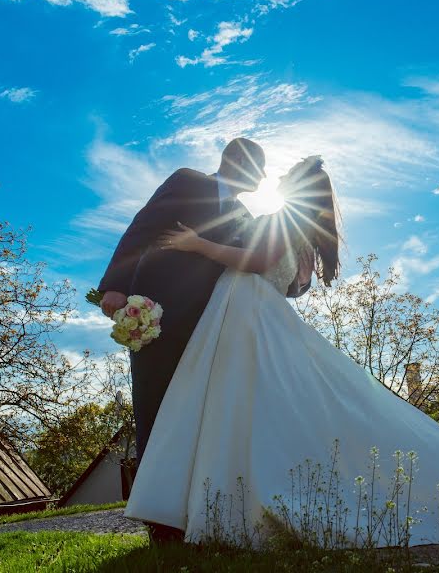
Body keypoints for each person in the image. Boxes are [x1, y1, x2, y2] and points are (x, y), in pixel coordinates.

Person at [123, 156, 439, 547]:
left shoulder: (284, 219)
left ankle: (234, 504)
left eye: (284, 178)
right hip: (249, 315)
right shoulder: (306, 231)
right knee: (251, 410)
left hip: (246, 318)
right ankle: (223, 502)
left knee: (241, 408)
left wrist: (196, 245)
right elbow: (292, 282)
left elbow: (257, 263)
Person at [97, 137, 305, 542]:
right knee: (155, 410)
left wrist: (299, 280)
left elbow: (256, 266)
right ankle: (160, 522)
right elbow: (140, 228)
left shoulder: (245, 215)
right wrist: (114, 285)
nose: (262, 179)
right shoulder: (187, 182)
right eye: (258, 170)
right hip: (157, 316)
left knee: (198, 416)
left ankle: (196, 511)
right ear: (238, 164)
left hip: (211, 328)